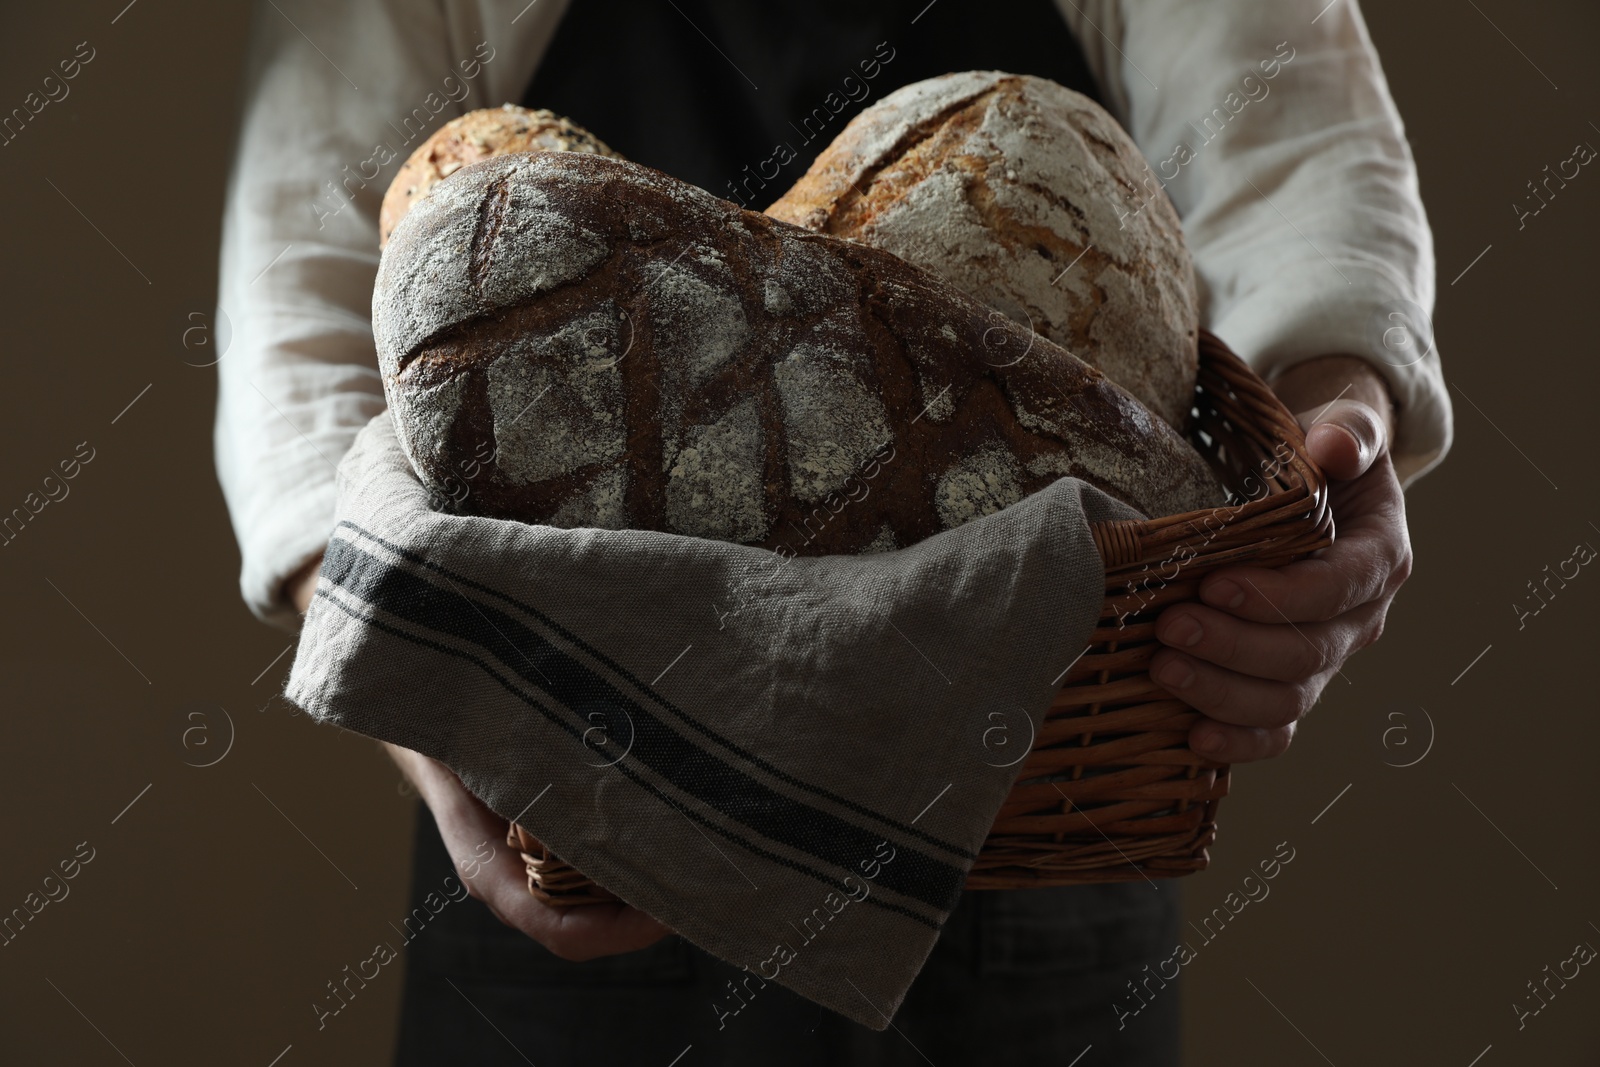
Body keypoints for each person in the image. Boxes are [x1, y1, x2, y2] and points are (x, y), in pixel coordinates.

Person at [215, 0, 1450, 1062]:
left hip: (1028, 817)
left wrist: (1330, 438)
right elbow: (305, 273)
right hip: (574, 794)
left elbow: (1295, 142)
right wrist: (428, 689)